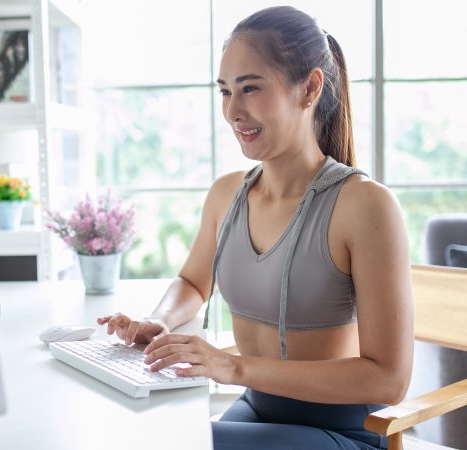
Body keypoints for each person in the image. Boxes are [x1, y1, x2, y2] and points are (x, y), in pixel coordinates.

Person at [97, 6, 413, 450]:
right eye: (225, 91)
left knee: (161, 441)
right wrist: (158, 320)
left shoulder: (365, 206)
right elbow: (192, 280)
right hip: (259, 412)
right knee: (148, 429)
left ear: (310, 88)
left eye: (250, 88)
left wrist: (232, 367)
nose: (233, 111)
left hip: (343, 433)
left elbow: (389, 379)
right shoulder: (227, 195)